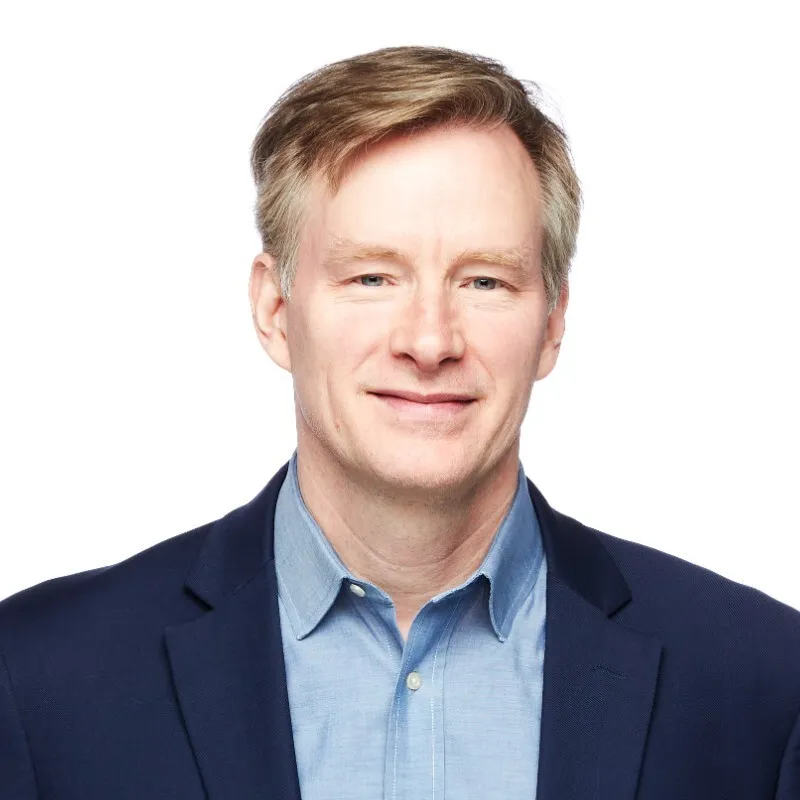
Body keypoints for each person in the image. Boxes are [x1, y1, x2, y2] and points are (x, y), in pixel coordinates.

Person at [1, 44, 798, 800]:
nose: (428, 341)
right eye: (373, 276)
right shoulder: (38, 680)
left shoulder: (762, 681)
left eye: (484, 282)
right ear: (276, 310)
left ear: (552, 323)